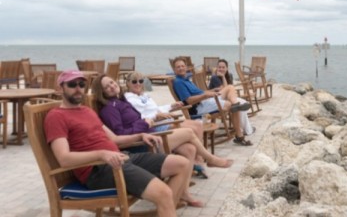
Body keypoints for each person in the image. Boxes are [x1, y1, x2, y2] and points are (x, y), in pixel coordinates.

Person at [44, 70, 190, 217]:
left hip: (120, 158)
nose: (78, 88)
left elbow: (114, 139)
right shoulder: (56, 116)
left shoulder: (87, 111)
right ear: (60, 88)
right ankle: (165, 205)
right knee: (163, 193)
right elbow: (64, 159)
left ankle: (165, 210)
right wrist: (101, 154)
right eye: (72, 84)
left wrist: (140, 135)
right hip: (97, 170)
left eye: (81, 84)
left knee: (181, 164)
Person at [91, 75, 234, 185]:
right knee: (189, 132)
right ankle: (210, 159)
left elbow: (140, 120)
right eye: (106, 86)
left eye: (111, 82)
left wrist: (148, 121)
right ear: (101, 92)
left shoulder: (121, 101)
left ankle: (183, 191)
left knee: (189, 149)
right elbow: (120, 134)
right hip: (142, 145)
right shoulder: (110, 108)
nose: (111, 86)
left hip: (150, 135)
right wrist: (145, 124)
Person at [124, 71, 209, 178]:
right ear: (128, 83)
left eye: (141, 81)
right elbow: (140, 117)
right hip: (153, 126)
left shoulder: (145, 96)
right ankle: (199, 160)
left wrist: (171, 106)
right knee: (193, 129)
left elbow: (156, 109)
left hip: (161, 120)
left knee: (197, 126)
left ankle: (195, 162)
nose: (138, 84)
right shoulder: (129, 99)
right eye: (134, 81)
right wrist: (156, 116)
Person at [172, 57, 253, 146]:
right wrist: (206, 95)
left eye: (182, 66)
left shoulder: (186, 80)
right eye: (178, 67)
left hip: (204, 100)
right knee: (230, 105)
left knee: (230, 88)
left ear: (186, 67)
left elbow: (200, 92)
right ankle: (239, 136)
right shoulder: (179, 82)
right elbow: (189, 100)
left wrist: (212, 90)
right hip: (198, 107)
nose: (181, 68)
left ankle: (235, 105)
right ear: (174, 69)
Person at [208, 59, 256, 136]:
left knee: (242, 105)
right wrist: (223, 77)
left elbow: (229, 90)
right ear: (217, 68)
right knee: (240, 104)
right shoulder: (215, 77)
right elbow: (227, 89)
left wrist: (224, 77)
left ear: (227, 68)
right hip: (218, 100)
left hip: (227, 98)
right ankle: (247, 129)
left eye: (223, 67)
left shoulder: (229, 75)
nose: (221, 69)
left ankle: (247, 129)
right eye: (219, 67)